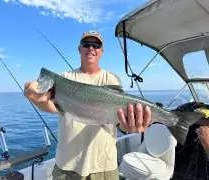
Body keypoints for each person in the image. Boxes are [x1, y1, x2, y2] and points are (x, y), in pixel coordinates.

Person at [24, 30, 151, 180]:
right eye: (87, 44)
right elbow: (54, 108)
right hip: (66, 165)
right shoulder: (65, 78)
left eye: (96, 45)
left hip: (103, 166)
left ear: (101, 51)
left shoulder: (111, 79)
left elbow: (119, 123)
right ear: (80, 49)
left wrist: (130, 126)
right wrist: (36, 99)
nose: (91, 48)